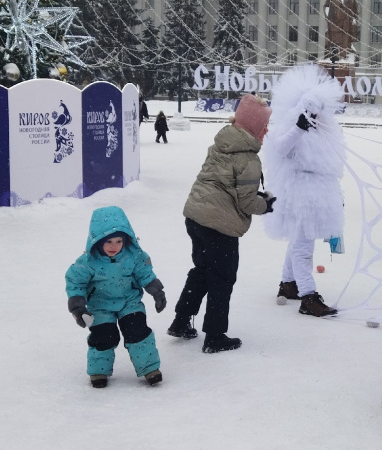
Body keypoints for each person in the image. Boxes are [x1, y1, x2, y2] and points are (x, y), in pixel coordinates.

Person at [168, 94, 276, 353]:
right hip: (219, 226)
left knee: (202, 272)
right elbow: (247, 202)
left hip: (195, 217)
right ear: (255, 129)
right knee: (222, 279)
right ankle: (215, 336)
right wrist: (267, 204)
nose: (266, 132)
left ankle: (181, 321)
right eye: (264, 127)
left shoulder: (221, 144)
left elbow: (225, 184)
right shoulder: (248, 158)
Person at [262, 64, 344, 317]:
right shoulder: (289, 128)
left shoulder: (324, 132)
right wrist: (298, 127)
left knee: (300, 239)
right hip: (298, 194)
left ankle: (288, 284)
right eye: (310, 111)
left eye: (318, 112)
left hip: (316, 192)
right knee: (302, 246)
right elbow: (280, 148)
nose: (315, 116)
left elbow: (332, 161)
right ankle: (308, 296)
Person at [65, 206, 166, 388]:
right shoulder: (87, 262)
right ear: (97, 240)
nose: (114, 246)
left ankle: (150, 368)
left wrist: (157, 292)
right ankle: (98, 372)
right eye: (109, 241)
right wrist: (78, 307)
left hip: (129, 302)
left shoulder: (134, 256)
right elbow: (76, 282)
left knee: (138, 332)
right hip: (100, 305)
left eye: (119, 241)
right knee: (104, 336)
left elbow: (145, 274)